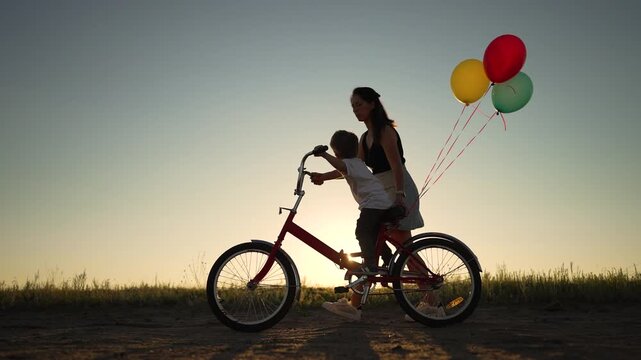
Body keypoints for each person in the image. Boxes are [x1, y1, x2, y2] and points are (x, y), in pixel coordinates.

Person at [313, 87, 438, 321]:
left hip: (398, 188)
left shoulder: (385, 132)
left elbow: (397, 165)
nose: (355, 110)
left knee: (405, 248)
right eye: (352, 107)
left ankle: (432, 304)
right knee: (374, 243)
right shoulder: (364, 137)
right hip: (381, 191)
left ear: (372, 104)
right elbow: (352, 168)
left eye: (359, 104)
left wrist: (400, 195)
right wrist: (323, 176)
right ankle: (354, 305)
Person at [311, 130, 396, 321]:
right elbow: (341, 171)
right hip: (379, 202)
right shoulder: (356, 164)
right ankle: (387, 258)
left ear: (337, 152)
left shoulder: (350, 163)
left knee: (362, 231)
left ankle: (371, 267)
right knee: (372, 236)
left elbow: (340, 166)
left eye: (334, 152)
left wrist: (323, 154)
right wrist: (323, 177)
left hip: (374, 204)